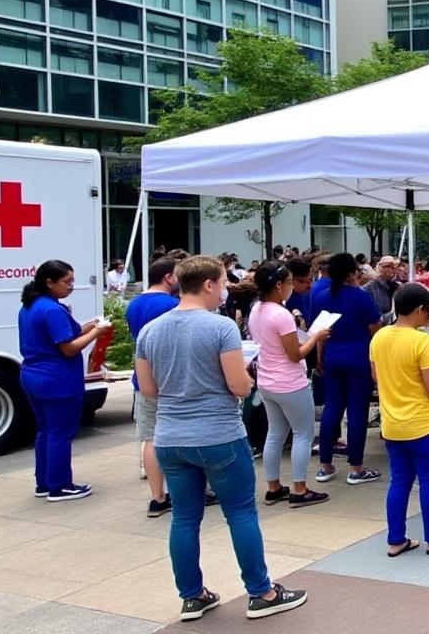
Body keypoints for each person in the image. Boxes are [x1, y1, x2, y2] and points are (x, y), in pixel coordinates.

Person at [135, 256, 308, 621]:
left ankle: (192, 596)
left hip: (170, 436)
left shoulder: (151, 330)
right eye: (223, 282)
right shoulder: (221, 328)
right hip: (218, 435)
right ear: (209, 285)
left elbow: (148, 389)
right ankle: (262, 592)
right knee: (241, 513)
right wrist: (246, 377)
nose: (227, 289)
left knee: (184, 518)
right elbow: (239, 387)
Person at [372, 283, 429, 556]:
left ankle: (396, 539)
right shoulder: (422, 341)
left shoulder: (379, 338)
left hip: (392, 424)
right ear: (420, 309)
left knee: (399, 482)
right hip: (423, 423)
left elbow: (376, 377)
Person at [18, 260, 110, 502]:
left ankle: (44, 483)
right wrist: (96, 333)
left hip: (33, 376)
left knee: (46, 431)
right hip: (56, 379)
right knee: (60, 433)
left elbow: (68, 331)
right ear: (49, 282)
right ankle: (60, 485)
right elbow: (68, 348)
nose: (71, 286)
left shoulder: (30, 306)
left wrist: (90, 325)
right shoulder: (51, 309)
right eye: (67, 282)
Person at [248, 262, 331, 509]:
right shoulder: (281, 314)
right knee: (302, 433)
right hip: (290, 381)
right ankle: (299, 488)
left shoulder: (257, 309)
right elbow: (296, 354)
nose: (292, 287)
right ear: (278, 285)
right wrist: (316, 336)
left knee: (275, 432)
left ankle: (273, 486)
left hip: (267, 380)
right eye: (289, 282)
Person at [312, 253, 383, 485]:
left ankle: (325, 465)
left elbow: (319, 334)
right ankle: (356, 467)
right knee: (357, 411)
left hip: (333, 355)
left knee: (332, 409)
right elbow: (376, 330)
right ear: (353, 273)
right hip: (359, 357)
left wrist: (320, 359)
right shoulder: (360, 298)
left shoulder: (321, 296)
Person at [127, 258, 181, 516]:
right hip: (173, 379)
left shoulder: (134, 304)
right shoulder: (173, 305)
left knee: (150, 438)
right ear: (169, 277)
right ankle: (186, 491)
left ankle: (157, 497)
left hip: (143, 377)